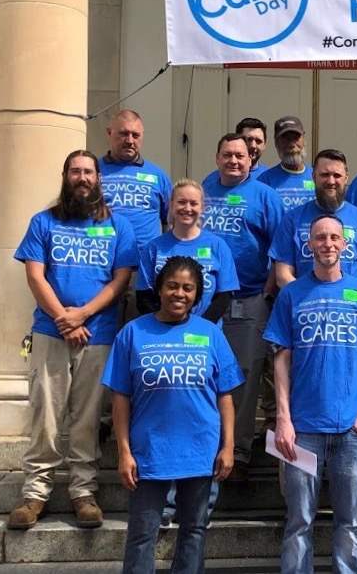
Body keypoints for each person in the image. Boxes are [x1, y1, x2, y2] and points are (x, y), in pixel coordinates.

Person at [7, 150, 138, 530]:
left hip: (98, 335)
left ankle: (83, 492)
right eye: (75, 171)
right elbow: (35, 277)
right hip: (51, 332)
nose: (82, 178)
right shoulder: (43, 222)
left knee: (86, 417)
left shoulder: (119, 226)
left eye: (89, 172)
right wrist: (65, 318)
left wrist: (82, 315)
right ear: (65, 176)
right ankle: (35, 494)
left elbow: (120, 280)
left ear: (99, 178)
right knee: (45, 414)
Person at [102, 256, 245, 574]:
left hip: (200, 450)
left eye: (188, 288)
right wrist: (124, 452)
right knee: (142, 535)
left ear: (197, 294)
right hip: (149, 452)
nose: (179, 294)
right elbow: (121, 398)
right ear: (159, 288)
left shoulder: (210, 334)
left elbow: (225, 395)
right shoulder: (132, 333)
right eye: (172, 286)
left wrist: (228, 446)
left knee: (194, 530)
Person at [265, 214, 357, 574]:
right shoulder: (291, 294)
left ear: (345, 245)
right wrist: (283, 420)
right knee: (298, 521)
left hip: (350, 430)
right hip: (302, 430)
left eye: (335, 237)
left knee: (350, 522)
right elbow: (281, 360)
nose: (328, 244)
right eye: (321, 238)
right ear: (309, 246)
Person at [201, 134, 285, 482]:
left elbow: (281, 246)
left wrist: (267, 289)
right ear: (217, 157)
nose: (234, 161)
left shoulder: (265, 195)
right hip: (205, 303)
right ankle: (208, 445)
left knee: (245, 378)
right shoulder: (205, 187)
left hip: (248, 299)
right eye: (227, 155)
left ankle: (239, 451)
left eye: (240, 155)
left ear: (250, 159)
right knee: (205, 375)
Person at [269, 149, 357, 291]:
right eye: (324, 175)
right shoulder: (292, 219)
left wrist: (351, 301)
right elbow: (283, 275)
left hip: (351, 308)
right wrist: (307, 300)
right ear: (313, 177)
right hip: (306, 308)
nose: (331, 181)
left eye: (337, 175)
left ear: (346, 178)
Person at [98, 110, 174, 310]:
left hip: (142, 272)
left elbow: (169, 223)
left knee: (138, 331)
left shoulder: (158, 176)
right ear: (109, 133)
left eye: (135, 135)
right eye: (123, 134)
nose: (129, 140)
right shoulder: (92, 171)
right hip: (101, 268)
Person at [137, 179, 238, 320]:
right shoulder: (154, 247)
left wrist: (199, 327)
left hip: (204, 331)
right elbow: (143, 296)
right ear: (171, 205)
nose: (187, 208)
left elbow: (224, 297)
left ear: (202, 207)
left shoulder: (218, 246)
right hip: (163, 331)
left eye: (193, 203)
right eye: (181, 202)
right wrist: (163, 322)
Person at [259, 115, 314, 210]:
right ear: (276, 143)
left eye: (296, 138)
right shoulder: (265, 181)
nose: (292, 145)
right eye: (286, 139)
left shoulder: (317, 178)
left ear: (304, 139)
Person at [205, 118, 270, 184]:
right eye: (249, 140)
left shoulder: (270, 179)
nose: (253, 145)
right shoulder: (211, 181)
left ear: (264, 145)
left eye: (258, 141)